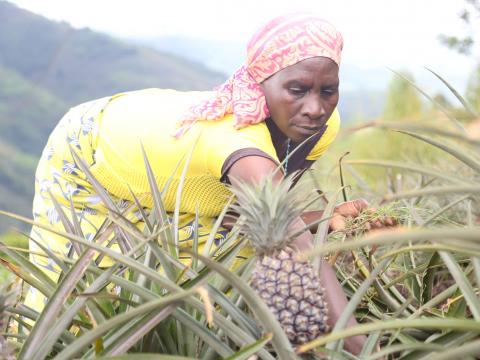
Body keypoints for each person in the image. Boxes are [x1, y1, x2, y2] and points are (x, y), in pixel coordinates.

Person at [28, 13, 389, 354]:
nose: (315, 108)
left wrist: (326, 219)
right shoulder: (233, 142)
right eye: (297, 90)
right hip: (89, 155)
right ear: (260, 85)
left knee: (245, 261)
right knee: (80, 304)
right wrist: (360, 347)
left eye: (328, 90)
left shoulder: (321, 128)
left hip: (178, 172)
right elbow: (290, 234)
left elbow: (258, 215)